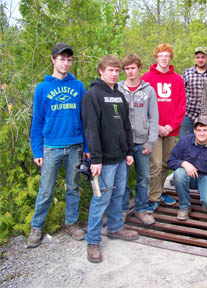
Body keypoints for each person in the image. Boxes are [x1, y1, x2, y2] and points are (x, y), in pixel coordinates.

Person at [28, 42, 88, 248]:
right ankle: (37, 227)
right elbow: (37, 122)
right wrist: (37, 150)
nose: (65, 63)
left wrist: (87, 148)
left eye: (69, 59)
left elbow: (85, 119)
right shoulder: (42, 88)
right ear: (53, 59)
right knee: (46, 189)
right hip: (51, 147)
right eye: (61, 59)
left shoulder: (78, 86)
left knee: (73, 187)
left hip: (75, 146)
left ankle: (72, 223)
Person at [82, 55, 138, 263]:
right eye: (110, 70)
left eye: (117, 71)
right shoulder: (92, 95)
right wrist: (95, 158)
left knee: (118, 195)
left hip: (121, 157)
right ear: (100, 71)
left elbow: (126, 126)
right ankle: (93, 240)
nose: (114, 74)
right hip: (102, 161)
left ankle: (115, 228)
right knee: (101, 199)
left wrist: (130, 151)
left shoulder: (120, 96)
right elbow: (91, 130)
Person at [142, 43, 186, 212]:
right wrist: (157, 126)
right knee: (155, 164)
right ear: (156, 57)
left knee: (167, 163)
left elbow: (181, 105)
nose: (164, 59)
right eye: (161, 55)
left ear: (170, 58)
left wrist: (170, 126)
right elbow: (142, 105)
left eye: (167, 56)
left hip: (171, 130)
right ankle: (152, 198)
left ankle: (158, 192)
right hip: (153, 130)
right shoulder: (147, 78)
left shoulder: (177, 79)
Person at [118, 54, 159, 226]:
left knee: (143, 178)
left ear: (139, 68)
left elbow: (154, 119)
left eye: (133, 68)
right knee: (122, 180)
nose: (130, 72)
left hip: (142, 143)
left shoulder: (148, 90)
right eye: (127, 68)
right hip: (123, 144)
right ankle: (122, 210)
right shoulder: (118, 89)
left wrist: (150, 143)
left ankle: (141, 209)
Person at [168, 116, 207, 220]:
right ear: (194, 130)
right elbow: (170, 162)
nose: (202, 133)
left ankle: (206, 200)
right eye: (199, 130)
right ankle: (185, 206)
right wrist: (183, 163)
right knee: (179, 174)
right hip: (189, 177)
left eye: (205, 130)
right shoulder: (185, 141)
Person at [179, 46, 207, 138]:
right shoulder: (187, 73)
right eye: (198, 57)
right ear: (194, 58)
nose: (200, 60)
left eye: (203, 57)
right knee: (185, 141)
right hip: (189, 114)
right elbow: (180, 93)